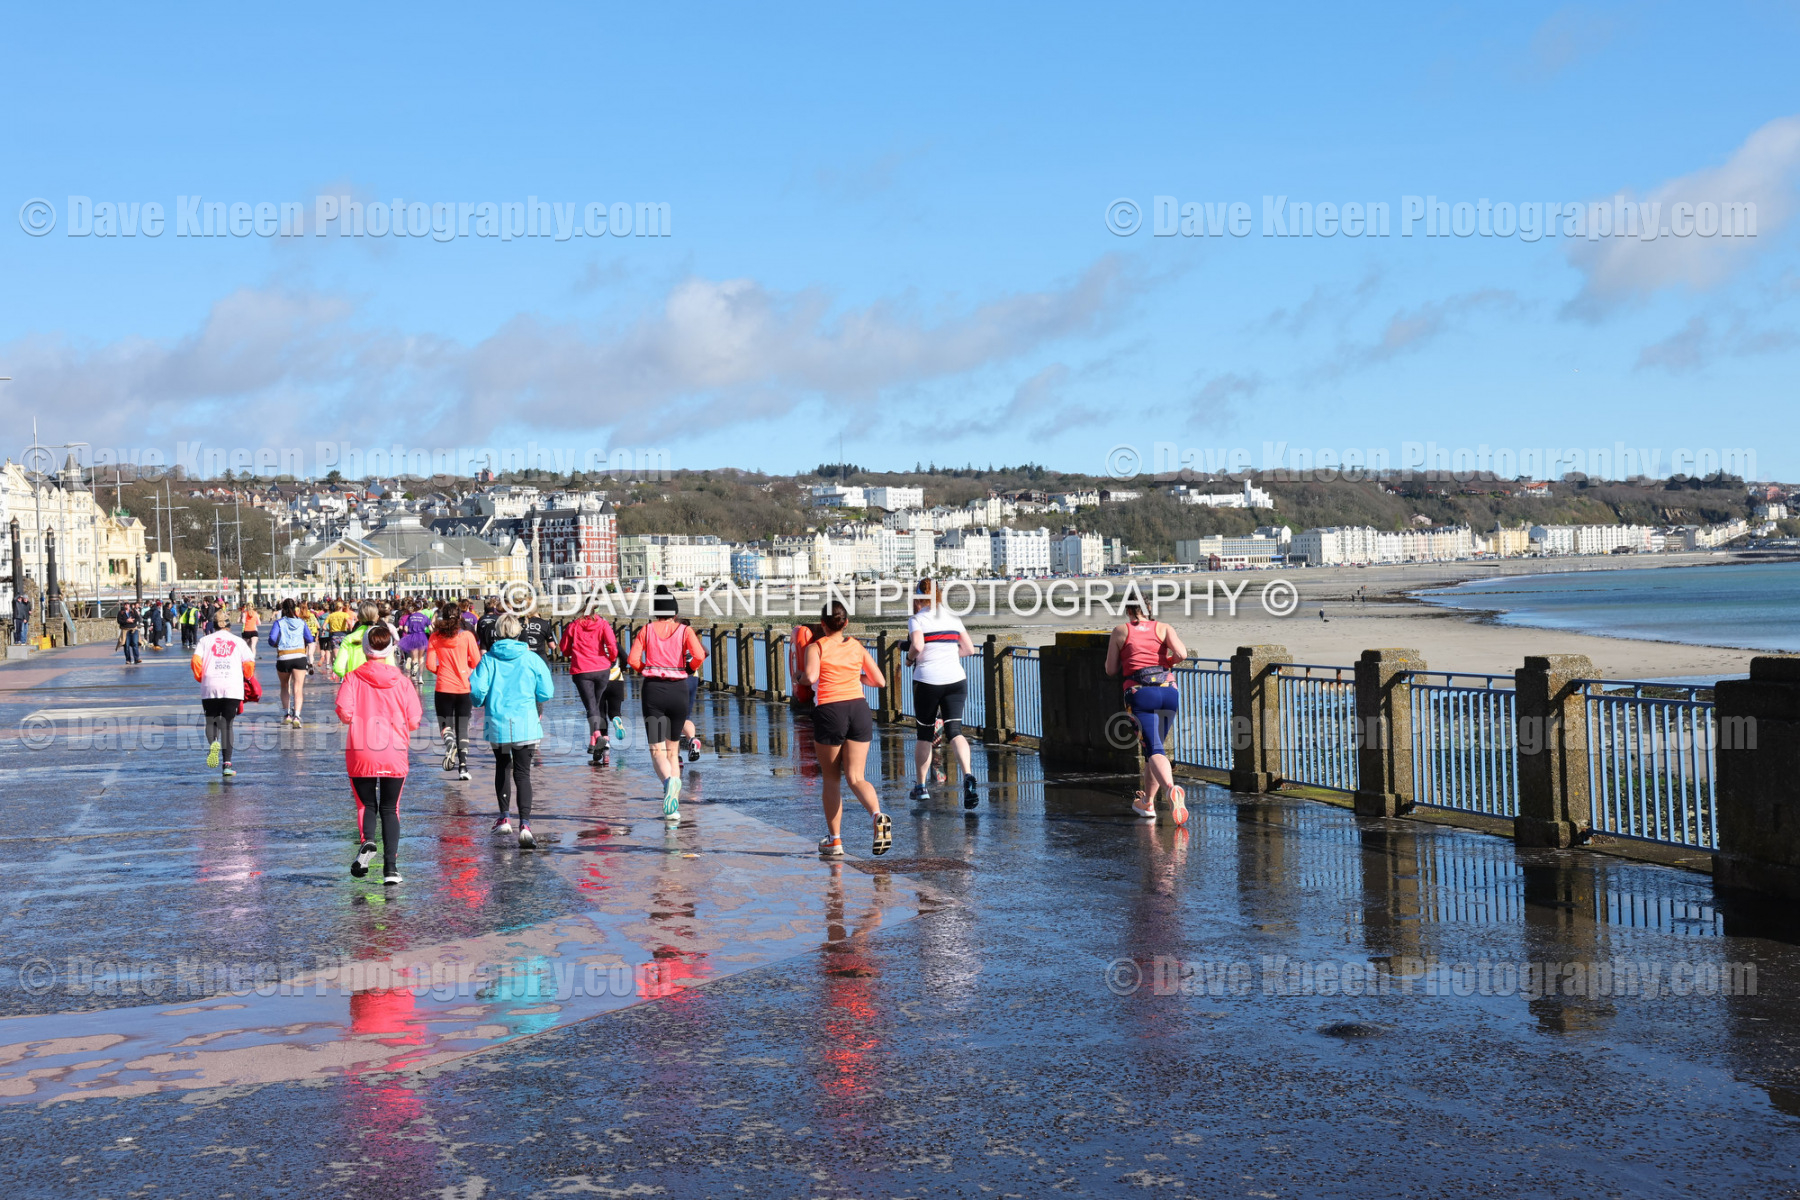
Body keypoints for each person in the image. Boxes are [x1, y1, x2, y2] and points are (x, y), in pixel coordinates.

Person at [334, 623, 421, 886]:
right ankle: (391, 869)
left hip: (361, 751)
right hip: (394, 751)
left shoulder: (353, 678)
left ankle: (368, 841)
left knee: (366, 805)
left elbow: (344, 712)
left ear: (365, 649)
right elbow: (414, 720)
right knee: (391, 808)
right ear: (390, 649)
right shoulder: (403, 682)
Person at [803, 601, 891, 858]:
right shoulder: (856, 645)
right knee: (856, 777)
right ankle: (877, 815)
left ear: (822, 624)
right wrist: (854, 677)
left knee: (832, 779)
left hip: (831, 710)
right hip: (859, 709)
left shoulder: (816, 647)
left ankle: (835, 840)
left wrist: (798, 677)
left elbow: (810, 678)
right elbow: (879, 681)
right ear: (846, 623)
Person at [469, 614, 555, 848]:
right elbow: (546, 692)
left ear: (497, 633)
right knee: (523, 774)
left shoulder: (488, 659)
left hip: (497, 722)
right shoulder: (532, 658)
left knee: (502, 767)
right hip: (525, 723)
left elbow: (476, 690)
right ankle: (525, 825)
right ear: (518, 632)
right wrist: (534, 697)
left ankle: (504, 817)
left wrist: (480, 701)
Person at [1104, 599, 1190, 825]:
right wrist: (1168, 662)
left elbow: (1111, 669)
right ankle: (1148, 803)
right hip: (1168, 691)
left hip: (1140, 692)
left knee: (1154, 748)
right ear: (1149, 609)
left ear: (1128, 610)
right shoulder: (1164, 628)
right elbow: (1182, 653)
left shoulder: (1120, 631)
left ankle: (1171, 789)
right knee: (1153, 748)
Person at [625, 586, 706, 821]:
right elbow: (699, 655)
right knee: (673, 750)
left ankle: (668, 783)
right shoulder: (685, 630)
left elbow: (632, 659)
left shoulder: (646, 630)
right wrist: (687, 669)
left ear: (655, 612)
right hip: (679, 690)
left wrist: (646, 670)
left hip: (654, 691)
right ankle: (674, 807)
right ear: (674, 612)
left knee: (657, 750)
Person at [906, 579, 977, 806]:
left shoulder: (917, 619)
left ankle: (921, 787)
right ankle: (968, 775)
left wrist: (909, 659)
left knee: (925, 734)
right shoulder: (953, 618)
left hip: (927, 681)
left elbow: (917, 645)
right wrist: (948, 654)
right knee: (955, 731)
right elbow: (969, 649)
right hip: (956, 679)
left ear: (918, 598)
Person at [192, 610, 256, 778]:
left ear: (213, 625)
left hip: (210, 685)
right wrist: (246, 676)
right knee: (227, 725)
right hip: (232, 686)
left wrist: (201, 677)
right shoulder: (238, 641)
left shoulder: (204, 641)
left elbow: (196, 661)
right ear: (229, 625)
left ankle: (214, 742)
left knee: (211, 721)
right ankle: (227, 765)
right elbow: (249, 663)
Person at [426, 603, 482, 780]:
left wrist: (442, 672)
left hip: (443, 687)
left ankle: (449, 742)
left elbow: (430, 665)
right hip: (463, 687)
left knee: (445, 724)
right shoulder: (467, 636)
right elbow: (477, 661)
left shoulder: (435, 637)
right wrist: (466, 666)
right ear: (460, 617)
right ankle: (463, 767)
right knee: (462, 726)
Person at [561, 611, 625, 765]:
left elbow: (564, 648)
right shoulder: (603, 624)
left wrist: (572, 653)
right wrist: (610, 659)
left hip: (582, 670)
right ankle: (595, 742)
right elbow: (612, 645)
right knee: (596, 707)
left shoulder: (574, 625)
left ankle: (597, 735)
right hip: (603, 670)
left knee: (592, 707)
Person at [267, 599, 316, 727]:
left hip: (284, 656)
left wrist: (277, 644)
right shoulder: (301, 622)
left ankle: (286, 714)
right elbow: (310, 638)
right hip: (299, 656)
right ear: (295, 608)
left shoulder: (279, 622)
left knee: (284, 686)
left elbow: (272, 639)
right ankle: (297, 717)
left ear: (282, 609)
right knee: (298, 688)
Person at [331, 602, 383, 678]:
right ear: (377, 617)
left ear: (358, 618)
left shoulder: (349, 639)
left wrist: (351, 678)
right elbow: (391, 666)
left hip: (356, 682)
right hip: (378, 681)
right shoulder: (383, 637)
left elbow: (338, 668)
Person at [398, 600, 431, 683]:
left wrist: (410, 631)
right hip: (422, 637)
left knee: (414, 658)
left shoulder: (411, 617)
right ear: (422, 607)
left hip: (412, 636)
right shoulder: (425, 617)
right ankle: (420, 677)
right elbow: (431, 629)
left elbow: (405, 628)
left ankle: (414, 667)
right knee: (421, 658)